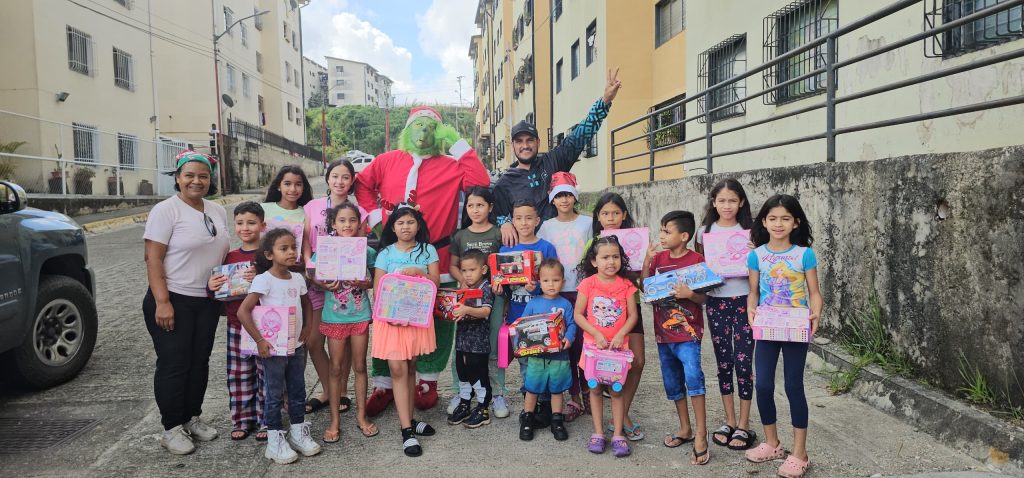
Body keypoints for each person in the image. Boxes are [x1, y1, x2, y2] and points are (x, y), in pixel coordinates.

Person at [356, 107, 490, 414]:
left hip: (438, 256)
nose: (424, 133)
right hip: (393, 251)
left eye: (431, 127)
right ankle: (384, 383)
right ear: (407, 129)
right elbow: (362, 185)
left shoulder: (451, 164)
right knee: (387, 315)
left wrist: (456, 141)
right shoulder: (387, 160)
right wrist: (376, 217)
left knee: (438, 318)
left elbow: (480, 180)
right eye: (418, 126)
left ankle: (427, 380)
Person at [143, 151, 229, 455]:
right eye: (189, 175)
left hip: (206, 300)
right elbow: (153, 257)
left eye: (203, 176)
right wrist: (162, 301)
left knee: (199, 362)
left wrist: (223, 295)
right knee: (174, 364)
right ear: (177, 178)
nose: (197, 181)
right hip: (173, 298)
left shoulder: (217, 210)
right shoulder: (166, 211)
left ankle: (192, 417)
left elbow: (220, 255)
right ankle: (171, 427)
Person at [493, 68, 621, 247]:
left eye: (530, 140)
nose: (525, 145)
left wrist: (605, 101)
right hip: (530, 253)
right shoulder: (504, 183)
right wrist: (504, 222)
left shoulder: (553, 161)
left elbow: (580, 136)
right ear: (513, 145)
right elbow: (496, 213)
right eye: (519, 141)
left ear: (538, 142)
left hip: (565, 247)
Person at [744, 194, 822, 478]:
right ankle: (772, 443)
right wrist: (751, 310)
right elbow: (753, 292)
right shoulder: (757, 255)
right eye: (773, 218)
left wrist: (815, 314)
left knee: (793, 386)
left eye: (785, 218)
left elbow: (814, 292)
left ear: (795, 222)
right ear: (764, 222)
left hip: (796, 327)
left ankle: (800, 453)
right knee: (762, 385)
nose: (779, 224)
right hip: (767, 327)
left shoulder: (804, 254)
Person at [237, 229, 320, 464]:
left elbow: (307, 305)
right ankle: (275, 440)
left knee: (298, 390)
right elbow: (244, 311)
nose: (291, 252)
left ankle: (298, 433)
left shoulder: (297, 278)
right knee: (273, 394)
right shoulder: (264, 279)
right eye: (284, 249)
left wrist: (308, 328)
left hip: (296, 345)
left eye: (293, 247)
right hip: (273, 349)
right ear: (269, 254)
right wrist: (260, 340)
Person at [642, 211, 710, 465]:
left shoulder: (696, 259)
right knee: (672, 382)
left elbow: (703, 298)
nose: (661, 236)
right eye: (660, 230)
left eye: (666, 231)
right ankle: (685, 428)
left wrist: (688, 294)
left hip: (688, 333)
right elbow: (645, 288)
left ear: (684, 236)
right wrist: (647, 262)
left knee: (694, 378)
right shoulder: (658, 258)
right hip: (663, 334)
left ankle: (701, 434)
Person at [371, 206, 440, 457]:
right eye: (400, 223)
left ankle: (410, 419)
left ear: (418, 226)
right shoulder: (385, 253)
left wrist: (421, 273)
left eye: (410, 222)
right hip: (390, 321)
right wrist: (393, 315)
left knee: (411, 367)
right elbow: (378, 287)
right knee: (397, 369)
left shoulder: (427, 250)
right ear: (392, 227)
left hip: (415, 319)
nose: (405, 227)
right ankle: (406, 430)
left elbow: (435, 283)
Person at [694, 179, 757, 450]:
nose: (727, 205)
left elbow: (763, 265)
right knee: (723, 362)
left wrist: (755, 255)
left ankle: (744, 424)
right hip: (716, 301)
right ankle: (729, 420)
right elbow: (700, 264)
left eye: (733, 200)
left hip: (746, 301)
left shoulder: (752, 232)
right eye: (722, 200)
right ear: (714, 202)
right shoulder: (703, 232)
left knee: (744, 363)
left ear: (741, 202)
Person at [309, 203, 377, 442]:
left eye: (351, 220)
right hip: (334, 316)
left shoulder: (366, 251)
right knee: (336, 368)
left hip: (359, 315)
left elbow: (373, 280)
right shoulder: (324, 249)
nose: (347, 225)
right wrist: (322, 284)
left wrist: (364, 283)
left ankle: (361, 416)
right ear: (333, 224)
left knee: (360, 366)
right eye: (341, 221)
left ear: (359, 223)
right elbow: (313, 274)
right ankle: (334, 420)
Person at [302, 159, 365, 415]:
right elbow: (306, 240)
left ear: (352, 181)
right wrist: (310, 268)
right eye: (335, 176)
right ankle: (330, 388)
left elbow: (361, 247)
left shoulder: (358, 211)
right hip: (318, 278)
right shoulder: (313, 206)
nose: (340, 181)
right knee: (314, 341)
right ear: (327, 179)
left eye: (345, 177)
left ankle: (341, 392)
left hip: (347, 286)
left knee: (345, 340)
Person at [494, 201, 559, 429]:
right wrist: (499, 287)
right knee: (525, 364)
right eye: (519, 218)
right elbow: (503, 285)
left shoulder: (547, 248)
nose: (524, 223)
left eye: (529, 218)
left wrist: (538, 288)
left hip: (543, 318)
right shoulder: (505, 250)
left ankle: (546, 405)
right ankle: (529, 406)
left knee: (545, 362)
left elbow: (555, 280)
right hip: (518, 318)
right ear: (512, 220)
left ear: (537, 220)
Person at [447, 187, 509, 419]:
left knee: (492, 347)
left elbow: (505, 265)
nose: (475, 210)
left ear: (490, 207)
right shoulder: (461, 235)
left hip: (494, 296)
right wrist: (464, 281)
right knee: (462, 347)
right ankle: (461, 392)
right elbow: (453, 265)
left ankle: (497, 393)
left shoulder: (498, 233)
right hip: (465, 297)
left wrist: (501, 286)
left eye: (480, 205)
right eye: (471, 205)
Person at [573, 236, 638, 457]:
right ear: (594, 261)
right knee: (595, 389)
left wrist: (621, 334)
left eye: (615, 257)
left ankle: (618, 434)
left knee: (616, 390)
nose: (611, 262)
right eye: (605, 257)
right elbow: (578, 315)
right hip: (593, 348)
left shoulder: (627, 285)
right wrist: (596, 333)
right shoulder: (588, 284)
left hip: (618, 350)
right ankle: (598, 433)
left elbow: (633, 316)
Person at [588, 192, 645, 442]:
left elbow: (645, 277)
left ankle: (623, 414)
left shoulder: (637, 240)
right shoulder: (592, 244)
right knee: (602, 365)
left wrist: (648, 259)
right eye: (605, 213)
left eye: (616, 212)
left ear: (624, 215)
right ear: (598, 217)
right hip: (602, 315)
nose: (611, 218)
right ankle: (613, 421)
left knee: (638, 361)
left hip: (630, 307)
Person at [536, 172, 592, 422]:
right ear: (553, 200)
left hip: (583, 291)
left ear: (575, 197)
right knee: (565, 346)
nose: (564, 200)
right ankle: (574, 398)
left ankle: (590, 391)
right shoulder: (547, 227)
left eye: (568, 195)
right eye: (559, 196)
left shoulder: (588, 223)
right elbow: (543, 260)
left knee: (584, 344)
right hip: (557, 293)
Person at [207, 201, 264, 442]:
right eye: (240, 223)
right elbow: (217, 290)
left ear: (263, 225)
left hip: (266, 325)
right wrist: (211, 287)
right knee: (238, 374)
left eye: (251, 223)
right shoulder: (229, 256)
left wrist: (261, 275)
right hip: (236, 326)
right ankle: (242, 419)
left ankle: (266, 418)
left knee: (265, 373)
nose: (245, 228)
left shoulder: (269, 256)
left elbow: (284, 281)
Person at [518, 259, 577, 442]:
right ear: (539, 282)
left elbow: (572, 324)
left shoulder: (566, 304)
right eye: (546, 281)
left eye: (555, 280)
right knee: (532, 389)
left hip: (559, 356)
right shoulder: (533, 303)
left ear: (563, 282)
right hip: (537, 356)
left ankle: (556, 420)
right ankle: (528, 419)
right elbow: (523, 326)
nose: (551, 284)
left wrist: (569, 337)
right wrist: (521, 345)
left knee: (557, 390)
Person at [446, 249, 496, 428]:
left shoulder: (486, 288)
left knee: (478, 373)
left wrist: (466, 310)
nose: (467, 274)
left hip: (478, 343)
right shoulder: (464, 288)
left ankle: (483, 408)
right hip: (462, 340)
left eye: (472, 270)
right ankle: (465, 402)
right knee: (462, 371)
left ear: (483, 270)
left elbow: (485, 311)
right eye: (464, 270)